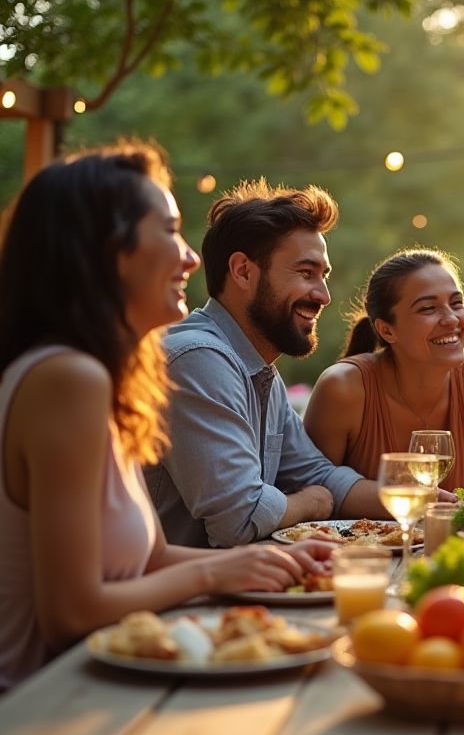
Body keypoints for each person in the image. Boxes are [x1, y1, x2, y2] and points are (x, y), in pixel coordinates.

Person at [0, 142, 333, 690]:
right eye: (170, 230)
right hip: (41, 704)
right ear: (108, 249)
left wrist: (270, 565)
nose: (191, 258)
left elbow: (149, 557)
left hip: (105, 681)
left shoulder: (108, 379)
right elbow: (72, 613)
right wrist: (214, 572)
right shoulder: (66, 379)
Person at [144, 179, 382, 548]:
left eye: (323, 276)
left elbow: (317, 474)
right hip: (171, 586)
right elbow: (238, 520)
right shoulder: (197, 358)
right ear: (243, 271)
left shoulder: (259, 370)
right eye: (306, 273)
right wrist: (311, 502)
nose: (324, 296)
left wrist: (425, 501)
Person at [304, 249, 464, 489]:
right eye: (428, 308)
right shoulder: (342, 389)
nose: (451, 319)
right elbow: (314, 494)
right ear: (387, 330)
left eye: (456, 303)